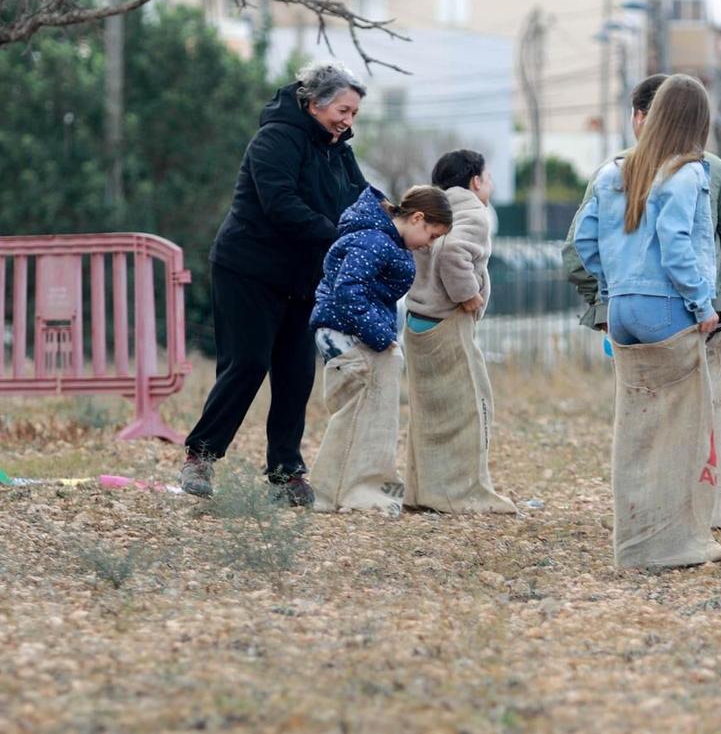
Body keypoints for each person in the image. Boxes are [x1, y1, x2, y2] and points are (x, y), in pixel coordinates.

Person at [181, 63, 368, 506]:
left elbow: (362, 198)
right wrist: (338, 235)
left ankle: (285, 474)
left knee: (296, 374)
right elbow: (280, 204)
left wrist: (399, 218)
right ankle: (200, 455)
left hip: (302, 277)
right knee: (246, 363)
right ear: (314, 103)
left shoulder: (338, 150)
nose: (348, 121)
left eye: (355, 114)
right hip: (249, 269)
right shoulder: (276, 139)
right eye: (343, 110)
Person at [563, 73, 721, 338]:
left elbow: (577, 248)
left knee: (633, 381)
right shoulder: (704, 169)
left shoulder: (611, 170)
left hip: (621, 311)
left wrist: (606, 298)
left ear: (640, 115)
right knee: (686, 380)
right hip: (692, 313)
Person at [308, 185, 453, 513]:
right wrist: (379, 335)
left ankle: (330, 492)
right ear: (417, 218)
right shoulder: (375, 240)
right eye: (431, 234)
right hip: (351, 333)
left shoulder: (380, 238)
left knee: (354, 412)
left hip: (344, 331)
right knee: (365, 412)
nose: (429, 244)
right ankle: (361, 490)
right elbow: (348, 291)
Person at [402, 150, 514, 513]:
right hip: (446, 323)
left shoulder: (433, 207)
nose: (491, 185)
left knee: (429, 415)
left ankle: (422, 493)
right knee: (470, 409)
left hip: (417, 320)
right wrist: (469, 296)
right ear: (475, 181)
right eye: (489, 177)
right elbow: (452, 253)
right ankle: (464, 494)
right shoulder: (474, 214)